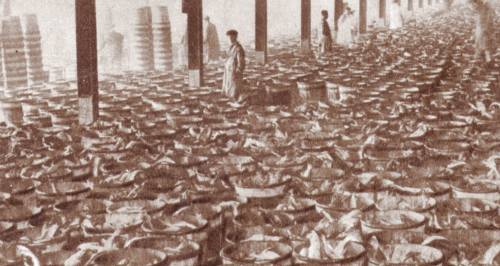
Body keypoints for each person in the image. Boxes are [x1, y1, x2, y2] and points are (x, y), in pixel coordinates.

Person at [222, 30, 245, 99]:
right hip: (229, 71)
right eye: (229, 37)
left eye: (231, 37)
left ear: (235, 37)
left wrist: (238, 72)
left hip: (234, 73)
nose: (229, 39)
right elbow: (228, 56)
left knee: (234, 90)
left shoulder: (238, 48)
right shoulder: (231, 47)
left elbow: (241, 63)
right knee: (228, 88)